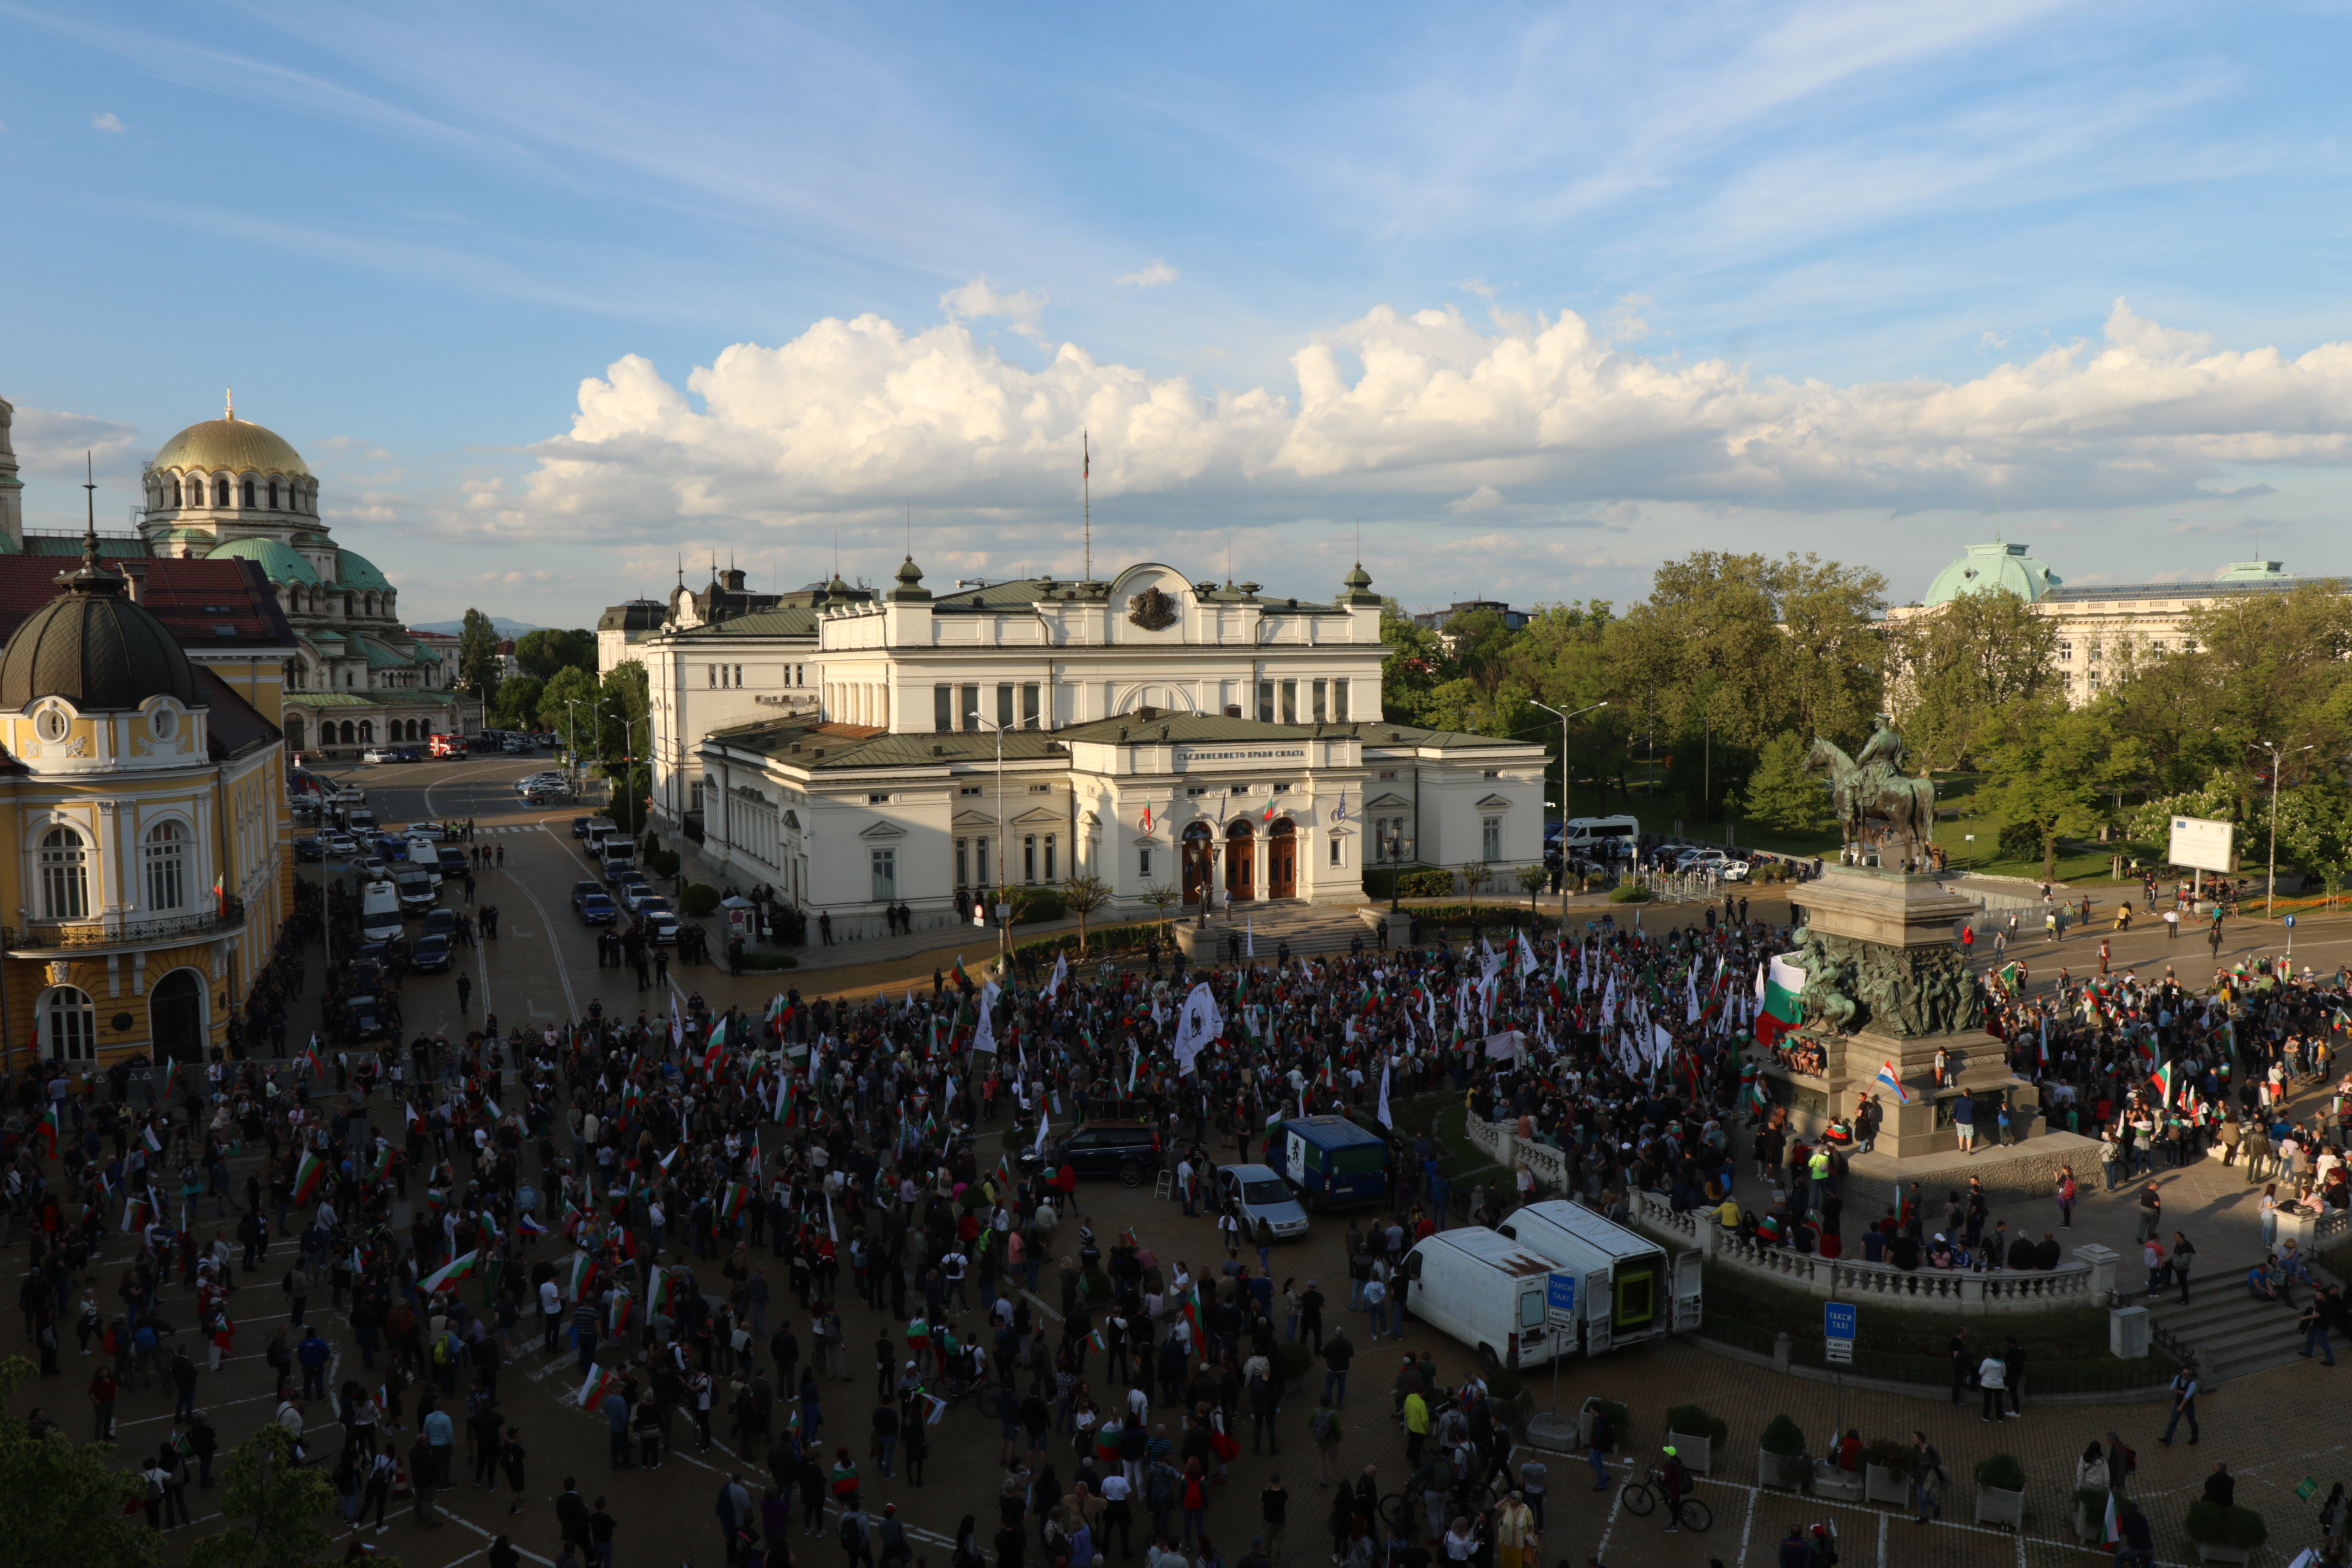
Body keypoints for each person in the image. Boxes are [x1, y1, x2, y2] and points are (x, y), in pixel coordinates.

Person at [2159, 1368, 2199, 1446]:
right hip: (2178, 1403)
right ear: (2181, 1373)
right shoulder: (2178, 1378)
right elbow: (2172, 1389)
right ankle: (2168, 1439)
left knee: (2192, 1421)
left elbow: (2188, 1396)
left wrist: (2181, 1406)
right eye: (2185, 1374)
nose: (2187, 1376)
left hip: (2188, 1406)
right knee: (2173, 1421)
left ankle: (2195, 1437)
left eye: (2189, 1374)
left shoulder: (2192, 1384)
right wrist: (2180, 1392)